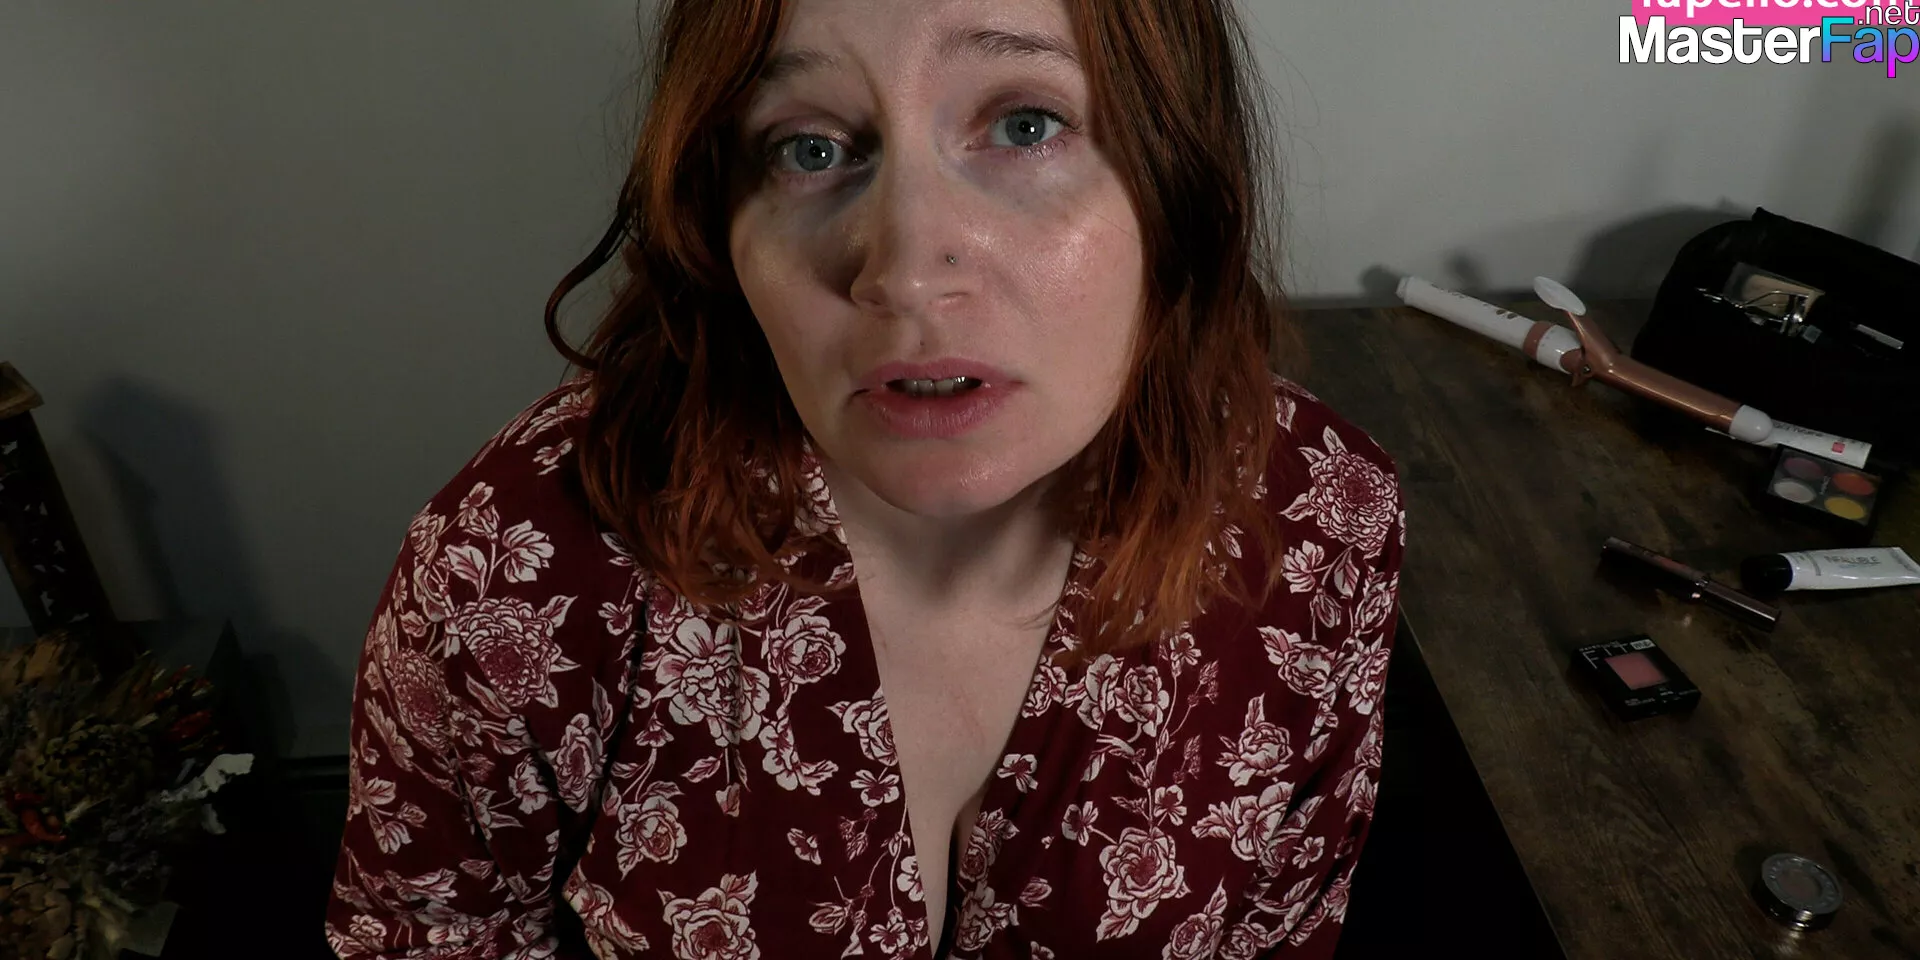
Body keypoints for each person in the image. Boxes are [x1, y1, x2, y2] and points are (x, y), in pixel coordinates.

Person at [325, 0, 1405, 956]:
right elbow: (427, 936)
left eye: (1026, 126)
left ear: (1178, 177)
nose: (905, 269)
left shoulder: (1320, 524)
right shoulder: (515, 571)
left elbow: (1285, 929)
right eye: (808, 149)